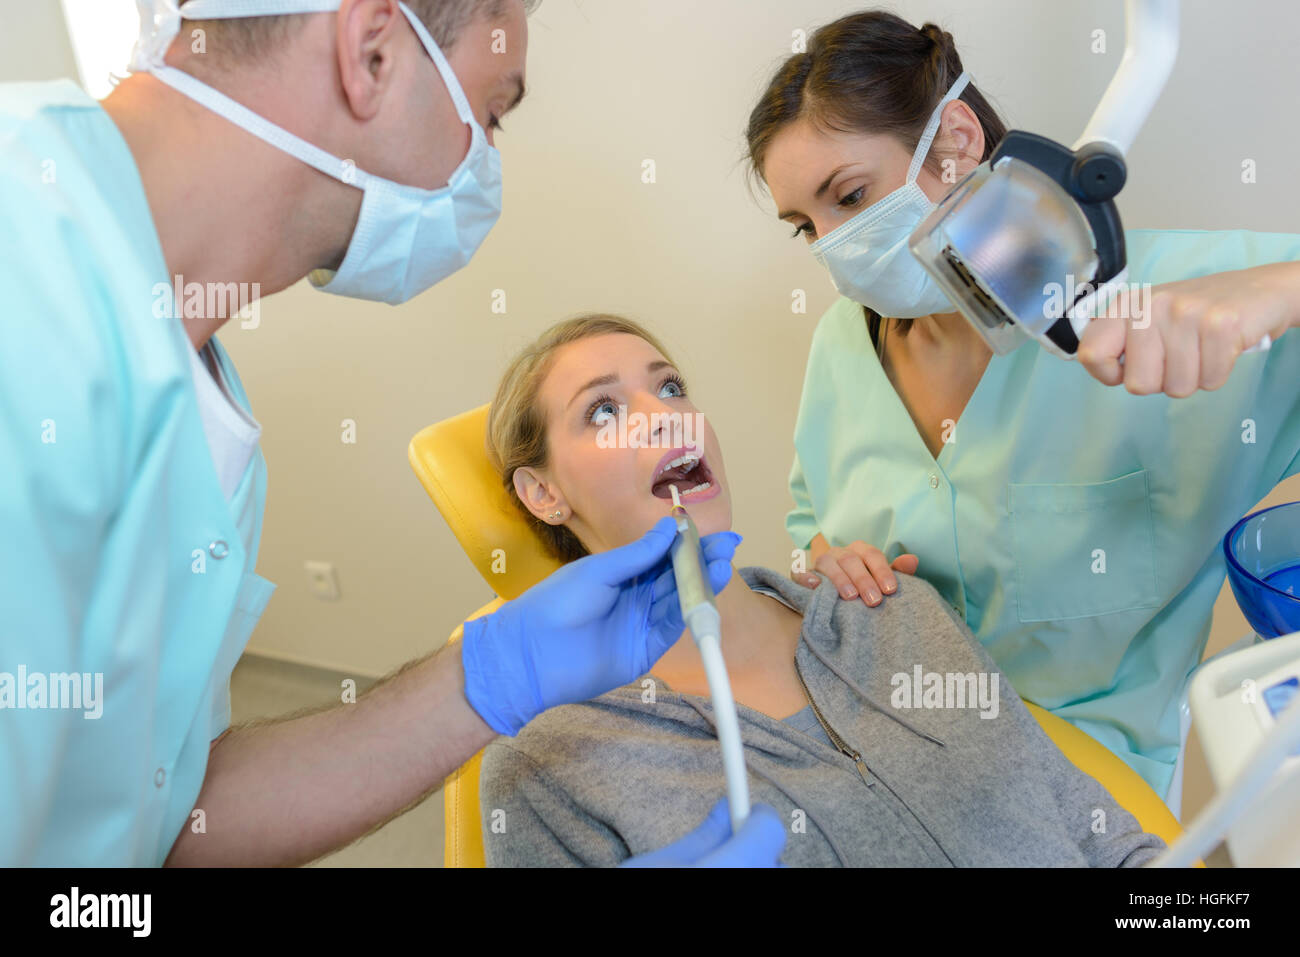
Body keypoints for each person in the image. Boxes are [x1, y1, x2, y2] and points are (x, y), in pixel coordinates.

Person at [0, 0, 781, 866]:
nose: (485, 167)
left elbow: (167, 819)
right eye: (489, 114)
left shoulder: (203, 405)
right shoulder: (23, 255)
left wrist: (484, 681)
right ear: (372, 52)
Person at [743, 10, 1300, 807]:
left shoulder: (1177, 300)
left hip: (1086, 808)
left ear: (956, 140)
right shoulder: (843, 343)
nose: (834, 251)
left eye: (851, 196)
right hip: (881, 778)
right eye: (808, 227)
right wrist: (829, 566)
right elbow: (812, 534)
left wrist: (1276, 292)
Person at [476, 313, 1165, 866]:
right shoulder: (547, 767)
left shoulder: (886, 611)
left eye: (673, 387)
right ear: (544, 494)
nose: (667, 416)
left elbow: (1091, 828)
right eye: (602, 411)